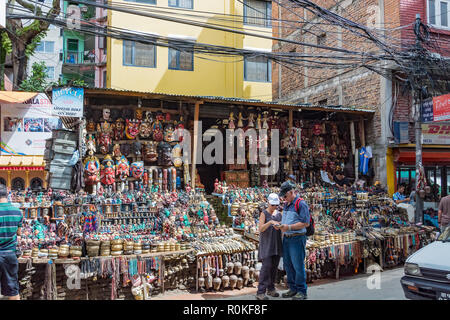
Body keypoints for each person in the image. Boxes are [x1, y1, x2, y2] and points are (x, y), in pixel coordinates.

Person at [274, 181, 310, 300]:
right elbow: (287, 221)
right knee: (288, 265)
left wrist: (288, 227)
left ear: (291, 192)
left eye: (285, 195)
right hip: (287, 239)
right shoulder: (287, 204)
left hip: (297, 238)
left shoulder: (301, 204)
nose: (284, 198)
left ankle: (301, 291)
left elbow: (306, 223)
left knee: (298, 265)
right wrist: (280, 225)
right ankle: (293, 288)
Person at [255, 193, 283, 300]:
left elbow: (282, 226)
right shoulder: (264, 213)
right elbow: (261, 228)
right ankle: (260, 292)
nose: (274, 207)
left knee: (274, 268)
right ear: (268, 203)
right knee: (266, 267)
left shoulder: (279, 214)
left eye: (276, 205)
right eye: (273, 205)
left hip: (276, 244)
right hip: (267, 245)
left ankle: (271, 289)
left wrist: (279, 226)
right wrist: (270, 222)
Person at [0, 184, 23, 300]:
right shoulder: (17, 212)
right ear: (7, 194)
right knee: (13, 290)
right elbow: (19, 233)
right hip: (10, 254)